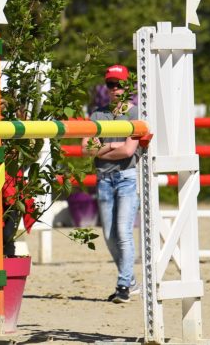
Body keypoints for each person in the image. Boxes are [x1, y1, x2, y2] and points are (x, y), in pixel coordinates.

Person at [82, 63, 141, 303]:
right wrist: (111, 147)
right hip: (104, 179)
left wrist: (101, 150)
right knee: (108, 235)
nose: (115, 89)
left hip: (127, 178)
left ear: (128, 86)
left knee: (123, 232)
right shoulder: (97, 114)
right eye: (111, 85)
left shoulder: (136, 113)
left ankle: (123, 286)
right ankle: (131, 281)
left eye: (119, 85)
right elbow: (86, 149)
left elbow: (128, 150)